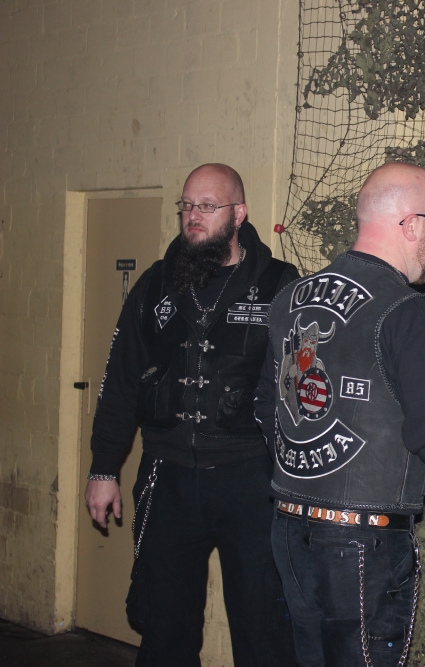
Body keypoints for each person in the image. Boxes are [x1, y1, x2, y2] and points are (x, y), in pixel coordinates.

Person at [255, 162, 425, 667]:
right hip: (361, 545)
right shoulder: (410, 314)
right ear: (412, 225)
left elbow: (265, 407)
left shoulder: (290, 299)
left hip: (289, 530)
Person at [85, 163, 299, 666]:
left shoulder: (279, 285)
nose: (193, 216)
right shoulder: (156, 285)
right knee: (164, 626)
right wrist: (104, 468)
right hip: (169, 475)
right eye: (186, 206)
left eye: (207, 206)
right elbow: (120, 380)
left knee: (263, 629)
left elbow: (301, 389)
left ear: (239, 214)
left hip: (251, 478)